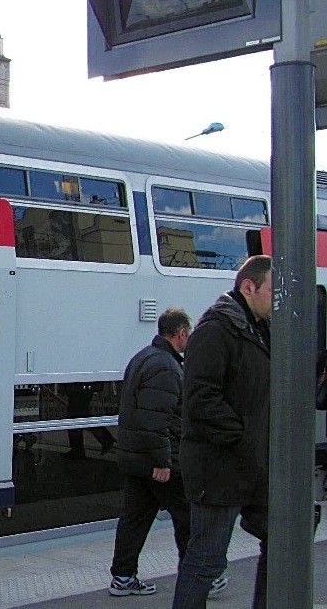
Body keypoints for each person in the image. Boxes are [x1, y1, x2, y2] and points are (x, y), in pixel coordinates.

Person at [172, 255, 272, 609]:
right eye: (273, 291)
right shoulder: (215, 331)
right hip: (218, 469)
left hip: (252, 465)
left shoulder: (260, 331)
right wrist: (243, 435)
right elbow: (200, 399)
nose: (279, 301)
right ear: (249, 287)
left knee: (280, 538)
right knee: (206, 561)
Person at [107, 308, 211, 597]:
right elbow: (158, 419)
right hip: (157, 462)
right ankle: (199, 576)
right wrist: (163, 461)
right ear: (181, 334)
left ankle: (123, 577)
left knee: (134, 520)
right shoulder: (165, 366)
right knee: (188, 517)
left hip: (135, 458)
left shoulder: (142, 357)